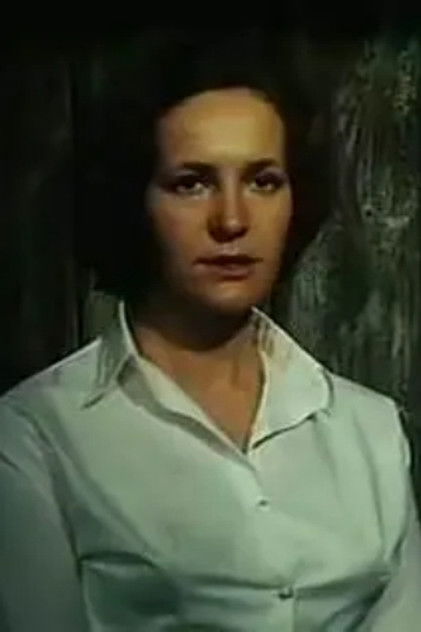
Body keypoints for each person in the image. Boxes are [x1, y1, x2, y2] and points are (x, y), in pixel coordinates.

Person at [0, 28, 420, 632]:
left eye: (263, 181)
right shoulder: (39, 433)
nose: (231, 220)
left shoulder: (369, 428)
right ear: (135, 200)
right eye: (191, 183)